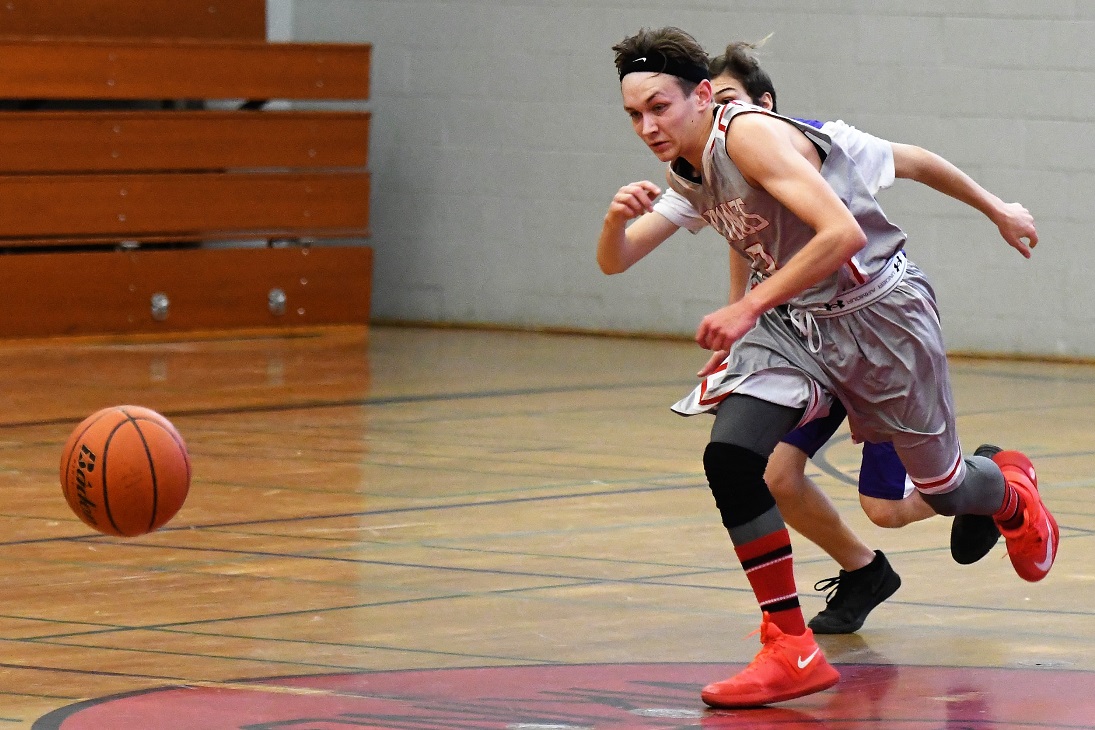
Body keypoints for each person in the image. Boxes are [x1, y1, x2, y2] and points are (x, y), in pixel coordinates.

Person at [600, 26, 1058, 709]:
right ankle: (788, 647)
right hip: (797, 326)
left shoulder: (753, 136)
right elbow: (616, 259)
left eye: (658, 108)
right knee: (733, 456)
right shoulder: (687, 169)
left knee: (939, 489)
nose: (646, 126)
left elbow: (841, 233)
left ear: (702, 96)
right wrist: (613, 221)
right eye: (634, 114)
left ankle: (1008, 490)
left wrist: (745, 307)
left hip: (878, 316)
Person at [651, 40, 1016, 636]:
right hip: (805, 335)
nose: (715, 117)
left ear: (762, 105)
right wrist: (738, 315)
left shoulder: (815, 142)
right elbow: (747, 241)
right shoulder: (709, 164)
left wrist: (998, 209)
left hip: (872, 330)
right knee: (772, 473)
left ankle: (983, 483)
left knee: (889, 509)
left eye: (727, 102)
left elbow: (917, 161)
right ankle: (863, 571)